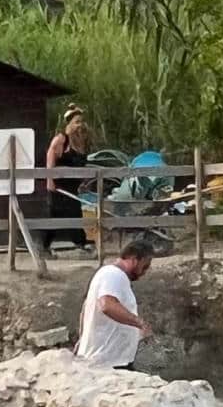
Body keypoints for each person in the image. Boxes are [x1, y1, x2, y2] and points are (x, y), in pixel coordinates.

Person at [75, 236, 154, 369]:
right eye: (145, 266)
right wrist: (139, 323)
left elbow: (85, 309)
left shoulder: (112, 275)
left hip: (111, 359)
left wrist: (82, 338)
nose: (145, 272)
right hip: (107, 361)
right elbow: (107, 305)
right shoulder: (113, 275)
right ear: (134, 259)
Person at [40, 106, 93, 260]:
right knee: (54, 216)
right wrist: (50, 181)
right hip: (59, 186)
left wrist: (82, 182)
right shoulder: (61, 140)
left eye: (81, 122)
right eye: (77, 122)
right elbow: (50, 160)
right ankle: (44, 247)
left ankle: (80, 244)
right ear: (69, 123)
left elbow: (80, 166)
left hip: (73, 186)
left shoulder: (82, 142)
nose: (80, 125)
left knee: (76, 213)